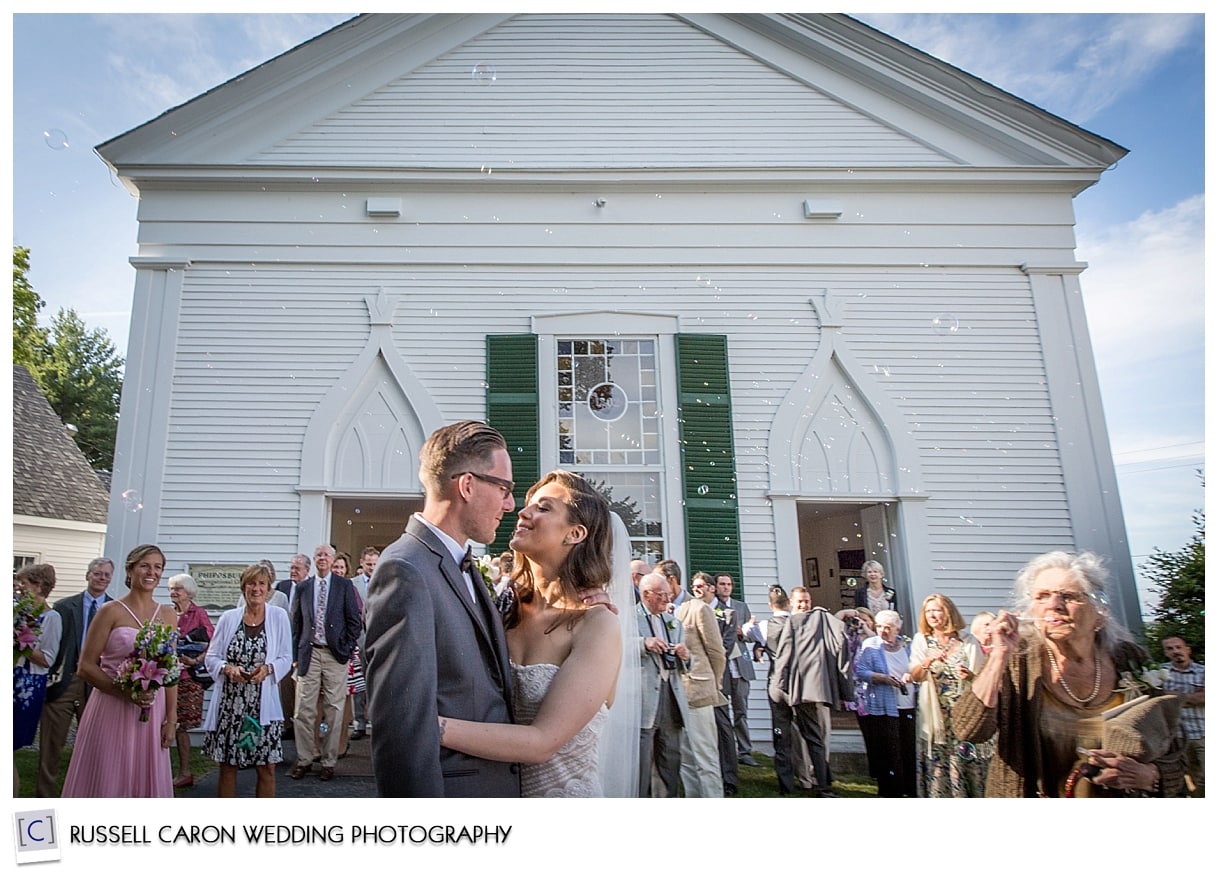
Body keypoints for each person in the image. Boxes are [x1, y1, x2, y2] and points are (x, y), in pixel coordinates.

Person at [436, 470, 624, 797]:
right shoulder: (501, 611)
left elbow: (541, 743)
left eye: (544, 508)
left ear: (575, 533)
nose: (522, 513)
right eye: (527, 505)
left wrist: (428, 727)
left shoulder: (597, 624)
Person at [363, 420, 522, 797]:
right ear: (467, 485)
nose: (510, 504)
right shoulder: (404, 570)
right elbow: (402, 724)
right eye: (504, 488)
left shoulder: (459, 563)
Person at [954, 551, 1186, 797]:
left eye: (1069, 596)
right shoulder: (1015, 658)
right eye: (1042, 596)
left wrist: (1151, 775)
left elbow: (1173, 743)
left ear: (1099, 611)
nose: (1054, 605)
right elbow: (970, 730)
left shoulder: (1130, 658)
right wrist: (999, 654)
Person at [61, 544, 178, 797]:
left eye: (158, 567)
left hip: (151, 711)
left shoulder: (168, 615)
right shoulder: (110, 611)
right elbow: (85, 666)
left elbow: (170, 672)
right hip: (112, 706)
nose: (152, 572)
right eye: (145, 565)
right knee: (108, 777)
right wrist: (124, 693)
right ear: (130, 569)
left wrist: (171, 718)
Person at [202, 563, 293, 797]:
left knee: (266, 767)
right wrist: (228, 668)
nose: (256, 588)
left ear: (268, 588)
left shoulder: (278, 616)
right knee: (229, 766)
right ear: (243, 587)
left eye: (261, 584)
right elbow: (211, 657)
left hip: (263, 705)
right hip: (231, 704)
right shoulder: (229, 618)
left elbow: (285, 656)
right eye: (251, 583)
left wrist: (269, 668)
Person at [36, 557, 113, 797]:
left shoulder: (114, 609)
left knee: (94, 746)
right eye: (97, 573)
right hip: (64, 682)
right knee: (51, 744)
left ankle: (87, 793)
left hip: (97, 683)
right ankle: (44, 795)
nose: (101, 578)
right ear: (87, 575)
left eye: (106, 575)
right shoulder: (64, 606)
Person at [288, 543, 360, 782]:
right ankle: (305, 758)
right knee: (302, 711)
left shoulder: (344, 586)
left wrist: (347, 648)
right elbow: (296, 625)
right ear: (314, 559)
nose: (322, 558)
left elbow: (354, 621)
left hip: (334, 655)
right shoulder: (304, 588)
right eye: (318, 554)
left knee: (334, 710)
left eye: (326, 555)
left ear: (332, 560)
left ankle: (329, 761)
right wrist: (296, 657)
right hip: (309, 654)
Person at [770, 589, 851, 797]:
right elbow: (783, 657)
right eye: (800, 601)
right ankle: (786, 786)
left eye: (806, 601)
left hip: (805, 691)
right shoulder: (788, 622)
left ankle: (822, 785)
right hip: (784, 691)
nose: (804, 605)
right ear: (791, 602)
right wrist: (778, 687)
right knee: (783, 739)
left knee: (814, 738)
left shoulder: (819, 622)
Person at [908, 593, 986, 797]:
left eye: (937, 610)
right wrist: (927, 661)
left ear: (948, 612)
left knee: (966, 759)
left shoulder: (967, 641)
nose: (932, 615)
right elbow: (916, 676)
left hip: (963, 714)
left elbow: (983, 679)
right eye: (928, 611)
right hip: (936, 716)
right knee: (940, 761)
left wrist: (969, 675)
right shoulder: (922, 641)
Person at [637, 572, 691, 797]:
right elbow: (615, 648)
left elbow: (687, 661)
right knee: (640, 760)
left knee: (670, 755)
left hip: (670, 694)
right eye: (662, 595)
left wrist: (685, 655)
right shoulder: (629, 618)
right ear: (646, 594)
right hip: (642, 696)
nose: (668, 600)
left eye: (669, 595)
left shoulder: (673, 622)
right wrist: (643, 643)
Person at [852, 609, 916, 796]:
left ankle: (910, 789)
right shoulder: (870, 645)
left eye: (887, 627)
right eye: (879, 626)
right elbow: (861, 671)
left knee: (908, 747)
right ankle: (890, 791)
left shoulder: (907, 644)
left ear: (897, 628)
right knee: (889, 749)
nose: (882, 631)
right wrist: (881, 677)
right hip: (883, 705)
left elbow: (917, 669)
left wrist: (911, 675)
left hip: (907, 701)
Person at [676, 570, 727, 797]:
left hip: (699, 689)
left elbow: (716, 652)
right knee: (686, 757)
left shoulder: (699, 608)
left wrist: (714, 683)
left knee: (705, 756)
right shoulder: (669, 611)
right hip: (677, 693)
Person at [14, 564, 62, 795]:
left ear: (39, 586)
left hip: (28, 686)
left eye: (24, 583)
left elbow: (47, 659)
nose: (20, 588)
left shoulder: (52, 618)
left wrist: (20, 644)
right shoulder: (18, 613)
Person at [167, 573, 215, 789]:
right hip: (165, 676)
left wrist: (195, 660)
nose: (173, 592)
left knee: (181, 726)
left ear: (188, 592)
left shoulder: (199, 614)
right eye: (171, 588)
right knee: (163, 724)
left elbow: (212, 643)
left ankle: (184, 772)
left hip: (188, 677)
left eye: (178, 589)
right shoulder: (166, 613)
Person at [714, 572, 757, 767]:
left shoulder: (741, 607)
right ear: (715, 586)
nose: (726, 587)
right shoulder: (713, 608)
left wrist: (742, 632)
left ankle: (745, 751)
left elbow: (751, 635)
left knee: (741, 710)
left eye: (729, 584)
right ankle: (724, 748)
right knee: (721, 711)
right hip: (721, 666)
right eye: (722, 584)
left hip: (739, 663)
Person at [1160, 636, 1204, 796]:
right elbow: (1156, 699)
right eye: (1170, 649)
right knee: (1186, 778)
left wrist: (1173, 696)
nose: (1175, 651)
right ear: (1165, 652)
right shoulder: (1159, 673)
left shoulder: (1204, 671)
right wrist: (1193, 697)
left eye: (1178, 647)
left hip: (1203, 733)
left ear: (1187, 650)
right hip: (1176, 738)